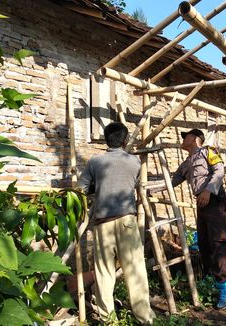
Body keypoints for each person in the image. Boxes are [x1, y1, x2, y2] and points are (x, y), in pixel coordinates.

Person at [78, 122, 156, 324]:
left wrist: (98, 186)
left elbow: (81, 189)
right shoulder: (135, 162)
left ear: (106, 139)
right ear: (124, 140)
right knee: (135, 270)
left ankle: (109, 320)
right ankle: (145, 318)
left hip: (103, 224)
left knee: (104, 273)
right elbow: (136, 184)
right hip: (127, 222)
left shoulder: (95, 162)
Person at [171, 128, 226, 310]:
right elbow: (171, 182)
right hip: (202, 203)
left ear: (194, 138)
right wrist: (146, 186)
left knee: (216, 241)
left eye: (186, 137)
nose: (182, 140)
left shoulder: (208, 152)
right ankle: (211, 279)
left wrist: (208, 190)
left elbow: (219, 171)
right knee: (204, 242)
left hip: (213, 199)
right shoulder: (186, 164)